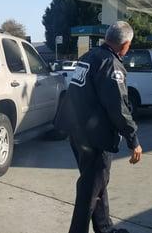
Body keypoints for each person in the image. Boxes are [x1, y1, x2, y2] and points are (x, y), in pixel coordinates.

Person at [56, 21, 143, 233]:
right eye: (129, 45)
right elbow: (118, 107)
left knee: (96, 184)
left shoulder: (88, 58)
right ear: (125, 45)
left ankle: (104, 228)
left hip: (77, 133)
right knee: (89, 190)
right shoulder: (111, 64)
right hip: (96, 138)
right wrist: (134, 140)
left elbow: (75, 93)